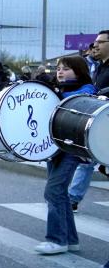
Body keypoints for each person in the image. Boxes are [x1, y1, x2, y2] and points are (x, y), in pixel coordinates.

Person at [33, 55, 96, 255]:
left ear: (79, 71)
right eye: (59, 68)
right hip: (55, 149)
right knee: (59, 193)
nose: (60, 72)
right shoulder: (59, 91)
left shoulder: (85, 93)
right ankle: (70, 239)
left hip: (71, 149)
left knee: (53, 191)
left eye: (66, 69)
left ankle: (57, 240)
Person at [68, 30, 109, 211]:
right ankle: (72, 199)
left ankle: (72, 198)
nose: (95, 45)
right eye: (95, 42)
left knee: (90, 160)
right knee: (87, 160)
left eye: (100, 42)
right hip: (100, 120)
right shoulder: (100, 66)